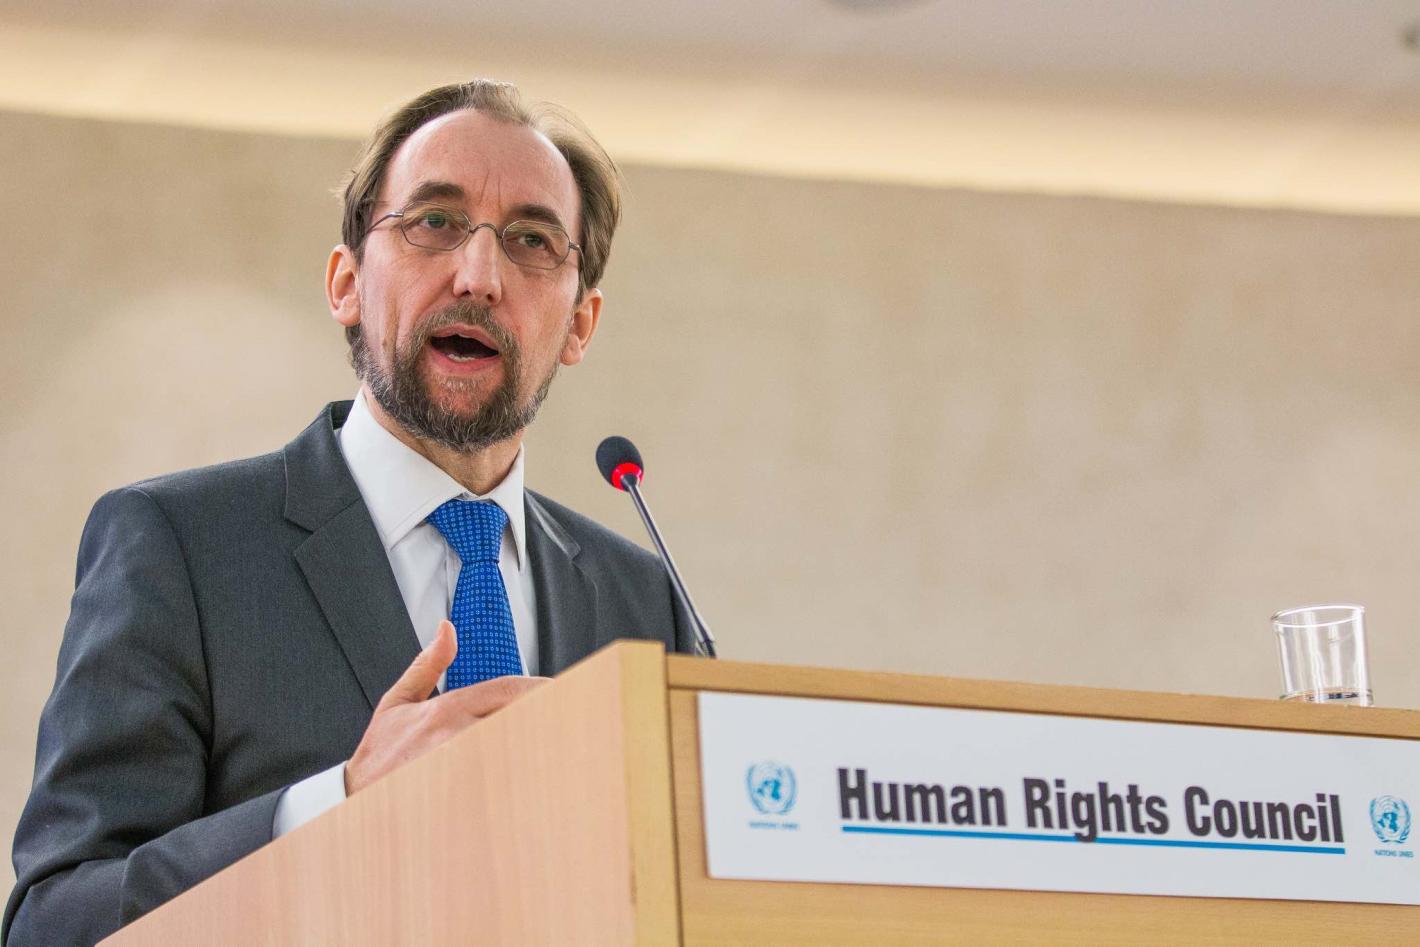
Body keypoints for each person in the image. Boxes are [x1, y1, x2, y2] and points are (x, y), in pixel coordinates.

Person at [4, 79, 696, 947]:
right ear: (345, 283)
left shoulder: (643, 600)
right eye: (435, 222)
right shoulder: (177, 547)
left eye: (531, 240)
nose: (479, 276)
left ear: (580, 325)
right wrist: (338, 803)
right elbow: (54, 924)